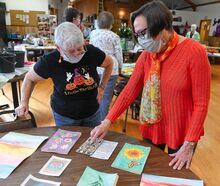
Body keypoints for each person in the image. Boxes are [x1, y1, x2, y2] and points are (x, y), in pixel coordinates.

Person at [90, 0, 210, 170]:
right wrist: (107, 121)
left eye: (144, 32)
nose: (141, 40)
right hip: (153, 127)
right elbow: (129, 91)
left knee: (174, 176)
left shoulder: (194, 51)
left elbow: (201, 104)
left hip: (183, 133)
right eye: (137, 34)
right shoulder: (148, 55)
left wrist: (189, 143)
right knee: (150, 172)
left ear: (162, 27)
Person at [15, 22, 112, 127]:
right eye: (71, 51)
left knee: (94, 141)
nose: (76, 53)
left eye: (79, 49)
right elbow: (30, 79)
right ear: (58, 48)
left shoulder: (91, 52)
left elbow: (110, 63)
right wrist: (24, 103)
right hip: (65, 116)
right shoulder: (49, 61)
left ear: (83, 42)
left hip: (93, 112)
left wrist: (102, 88)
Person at [89, 11, 123, 120]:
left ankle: (93, 119)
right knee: (106, 98)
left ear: (97, 23)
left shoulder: (93, 33)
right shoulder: (115, 36)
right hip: (111, 70)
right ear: (111, 24)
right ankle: (102, 121)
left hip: (95, 68)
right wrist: (120, 67)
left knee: (94, 95)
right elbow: (119, 54)